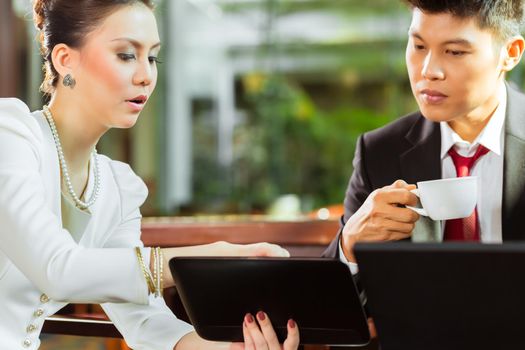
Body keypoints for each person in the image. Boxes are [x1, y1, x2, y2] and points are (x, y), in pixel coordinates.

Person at [0, 1, 300, 349]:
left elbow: (144, 320)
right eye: (126, 55)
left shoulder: (116, 187)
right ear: (65, 59)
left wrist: (234, 347)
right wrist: (206, 257)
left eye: (153, 57)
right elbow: (57, 270)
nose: (146, 75)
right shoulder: (11, 137)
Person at [324, 0, 525, 289]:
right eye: (418, 46)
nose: (428, 71)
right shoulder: (380, 151)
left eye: (455, 52)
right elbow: (334, 307)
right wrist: (349, 243)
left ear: (509, 53)